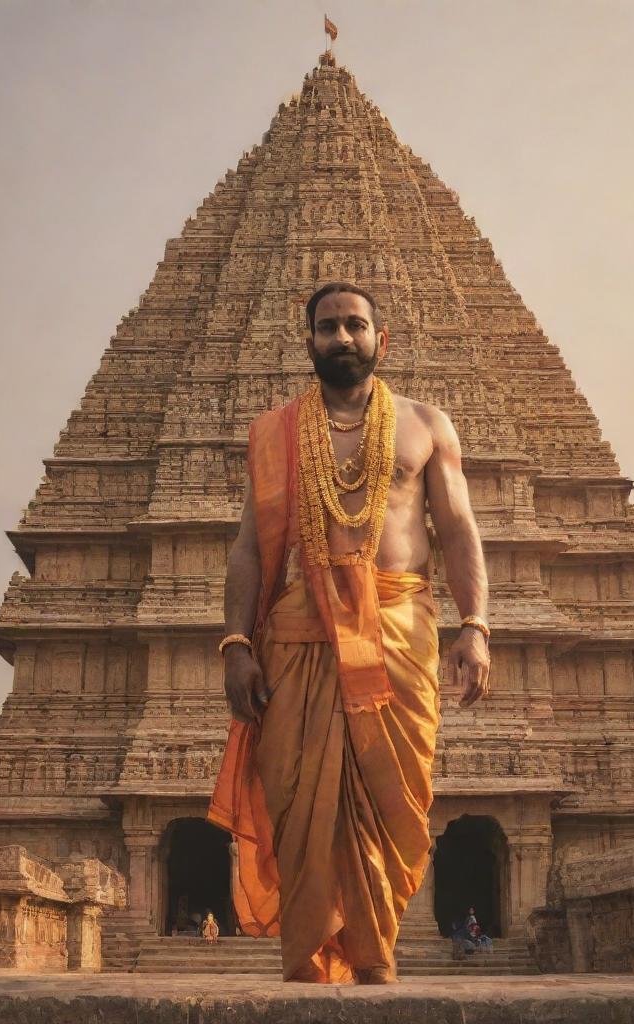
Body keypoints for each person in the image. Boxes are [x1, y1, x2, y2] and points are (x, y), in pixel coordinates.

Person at [209, 282, 490, 984]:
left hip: (400, 626)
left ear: (380, 339)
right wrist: (236, 643)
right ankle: (306, 966)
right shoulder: (275, 432)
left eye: (355, 326)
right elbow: (248, 547)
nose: (343, 338)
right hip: (300, 632)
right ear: (308, 341)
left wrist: (476, 626)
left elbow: (457, 530)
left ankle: (374, 960)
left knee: (393, 800)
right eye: (328, 327)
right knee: (300, 802)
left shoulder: (427, 425)